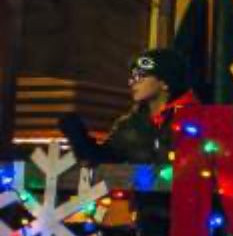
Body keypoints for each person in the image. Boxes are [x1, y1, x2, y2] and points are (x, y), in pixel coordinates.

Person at [59, 48, 197, 165]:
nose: (132, 82)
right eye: (132, 76)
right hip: (141, 196)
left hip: (186, 196)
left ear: (165, 81)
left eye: (141, 76)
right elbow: (103, 160)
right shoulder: (130, 125)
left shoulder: (195, 120)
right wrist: (78, 135)